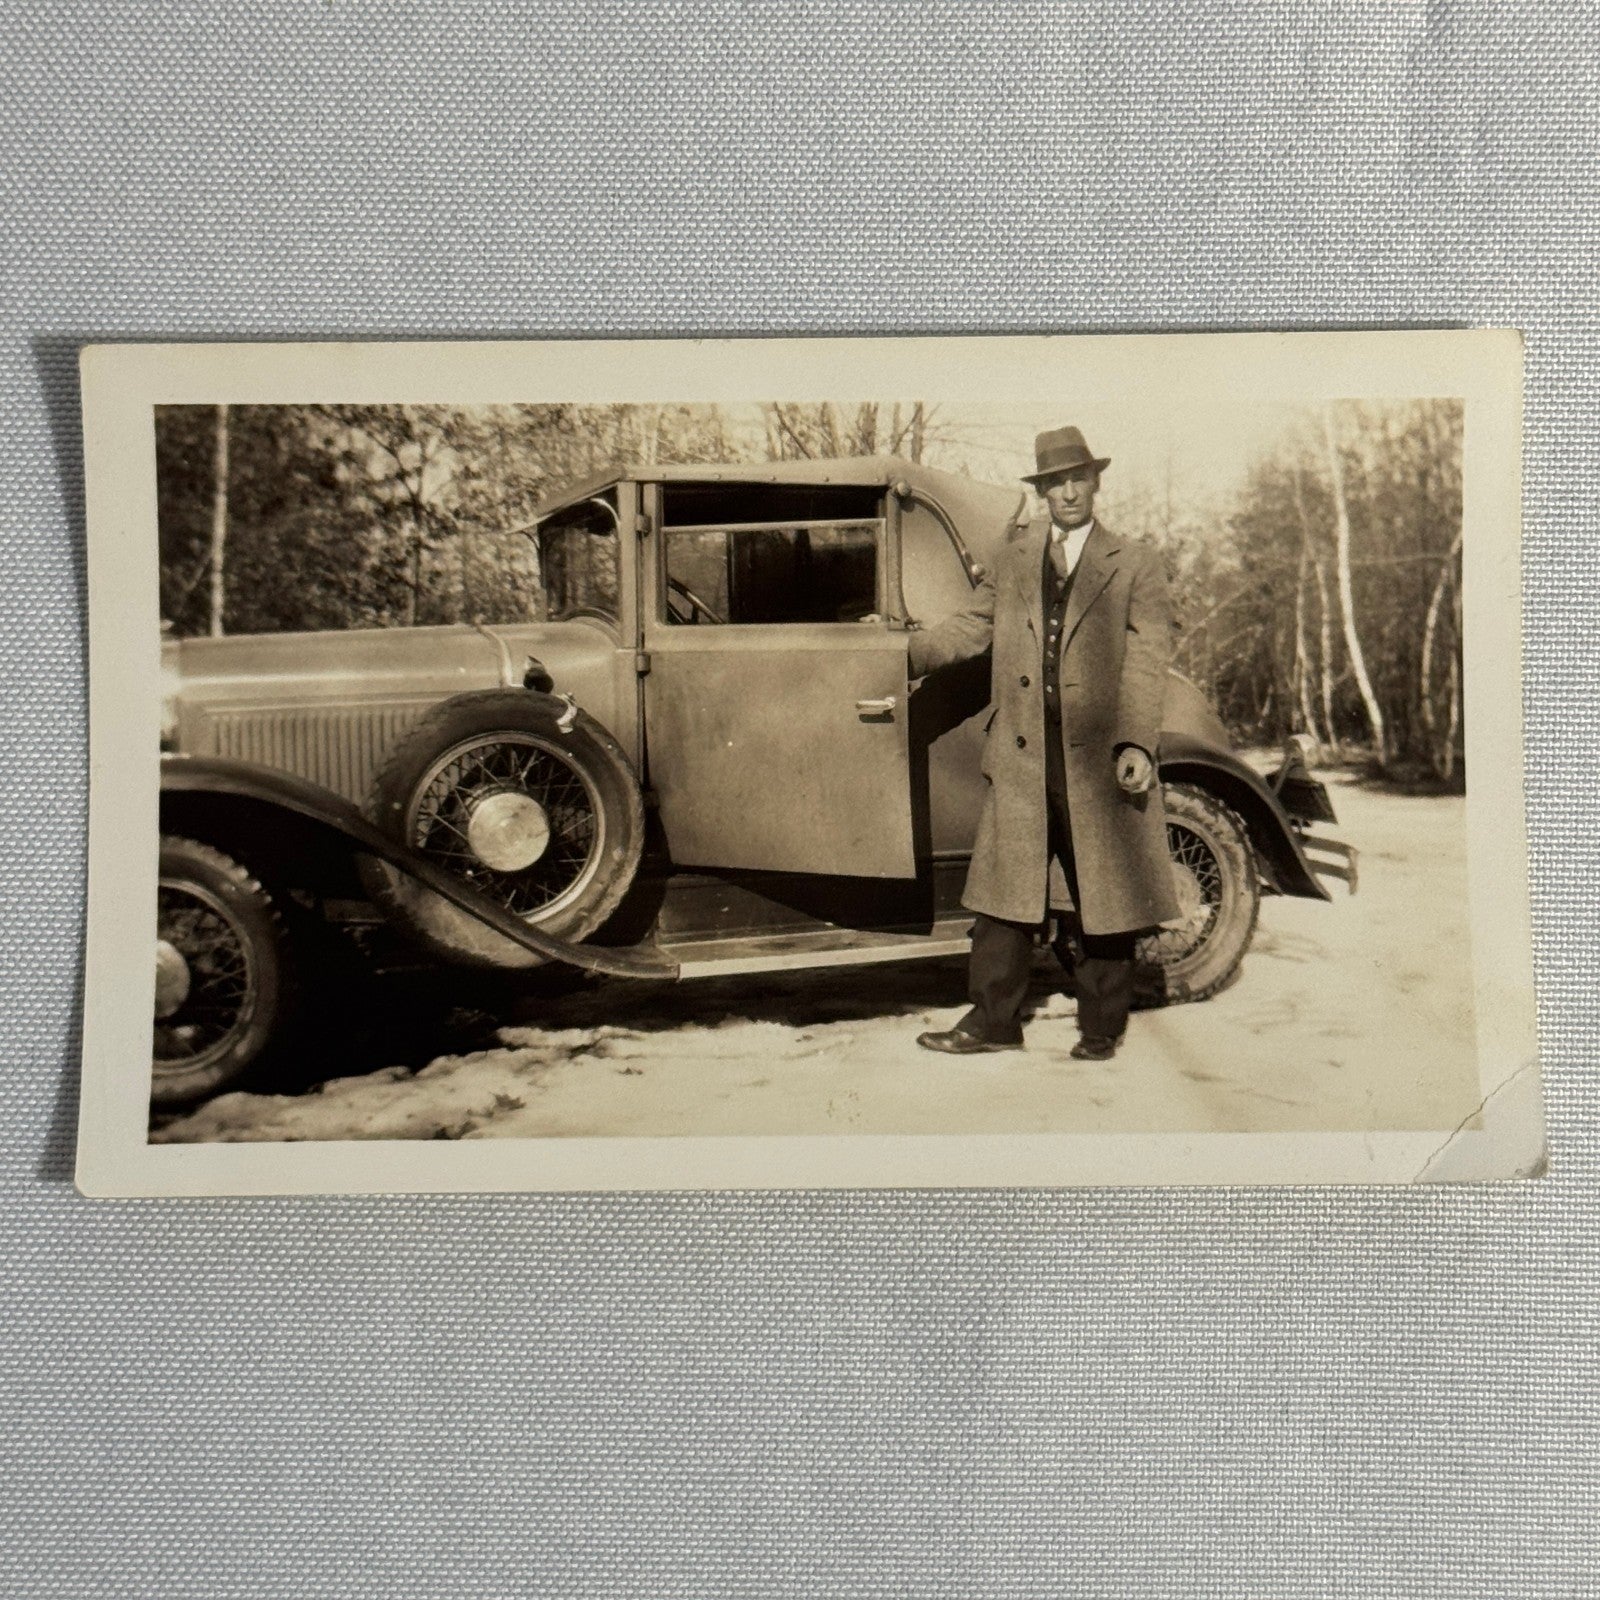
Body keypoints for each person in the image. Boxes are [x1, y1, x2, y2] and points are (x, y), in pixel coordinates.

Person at [911, 426, 1180, 1061]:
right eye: (1055, 482)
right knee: (1004, 892)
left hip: (1097, 755)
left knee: (1101, 889)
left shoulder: (1134, 562)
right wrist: (902, 651)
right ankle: (994, 1020)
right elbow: (973, 628)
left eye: (1077, 478)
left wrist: (1135, 742)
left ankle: (1102, 1027)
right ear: (1041, 491)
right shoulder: (1013, 555)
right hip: (1022, 751)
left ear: (1095, 482)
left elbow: (1147, 658)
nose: (1067, 492)